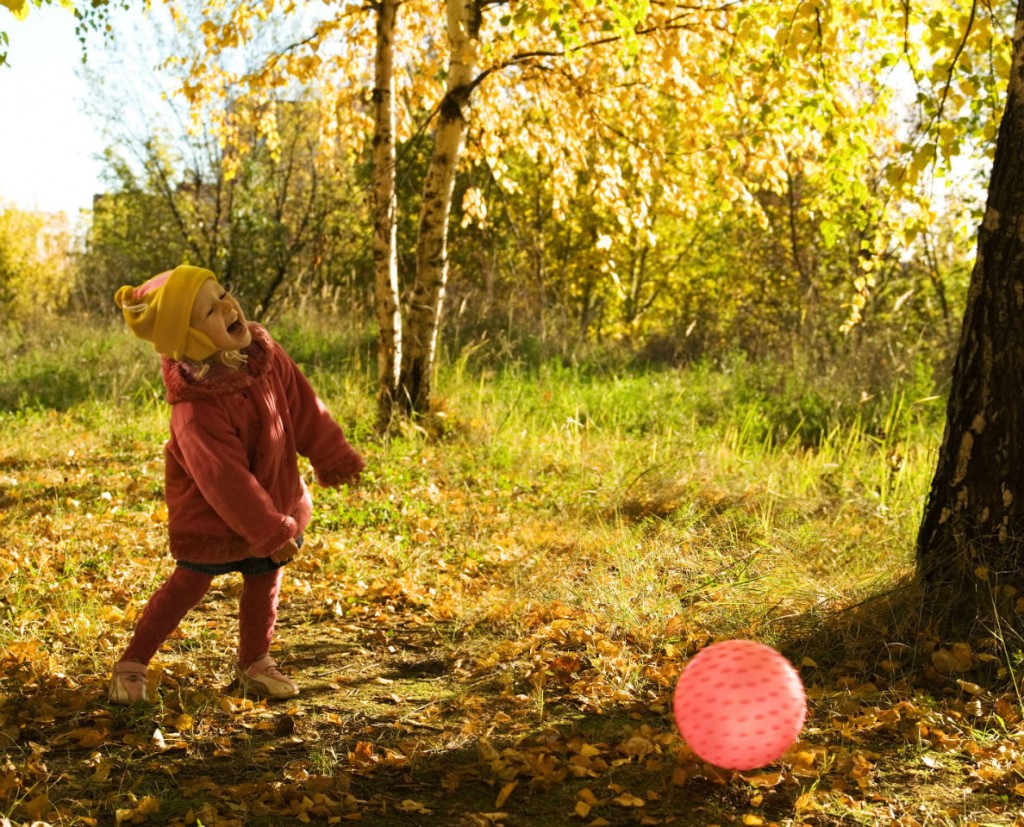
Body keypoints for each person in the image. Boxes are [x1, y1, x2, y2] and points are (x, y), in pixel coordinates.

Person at [108, 264, 364, 704]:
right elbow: (222, 479)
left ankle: (254, 662)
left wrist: (332, 455)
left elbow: (304, 407)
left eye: (223, 293)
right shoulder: (196, 407)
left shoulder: (266, 356)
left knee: (264, 581)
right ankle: (133, 662)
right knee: (188, 586)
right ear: (192, 340)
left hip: (275, 498)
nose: (228, 304)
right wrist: (269, 530)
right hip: (212, 519)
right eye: (211, 309)